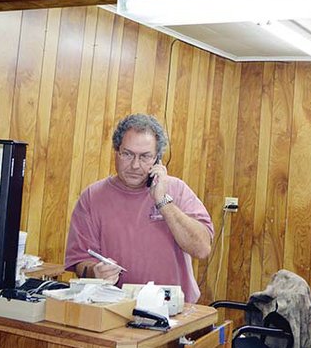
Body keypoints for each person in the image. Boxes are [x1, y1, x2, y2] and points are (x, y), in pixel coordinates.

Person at [64, 113, 213, 303]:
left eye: (145, 157)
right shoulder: (92, 198)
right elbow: (79, 261)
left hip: (175, 310)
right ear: (116, 152)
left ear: (157, 159)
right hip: (114, 309)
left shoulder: (176, 189)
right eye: (127, 154)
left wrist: (162, 201)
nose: (135, 165)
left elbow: (201, 249)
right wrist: (95, 271)